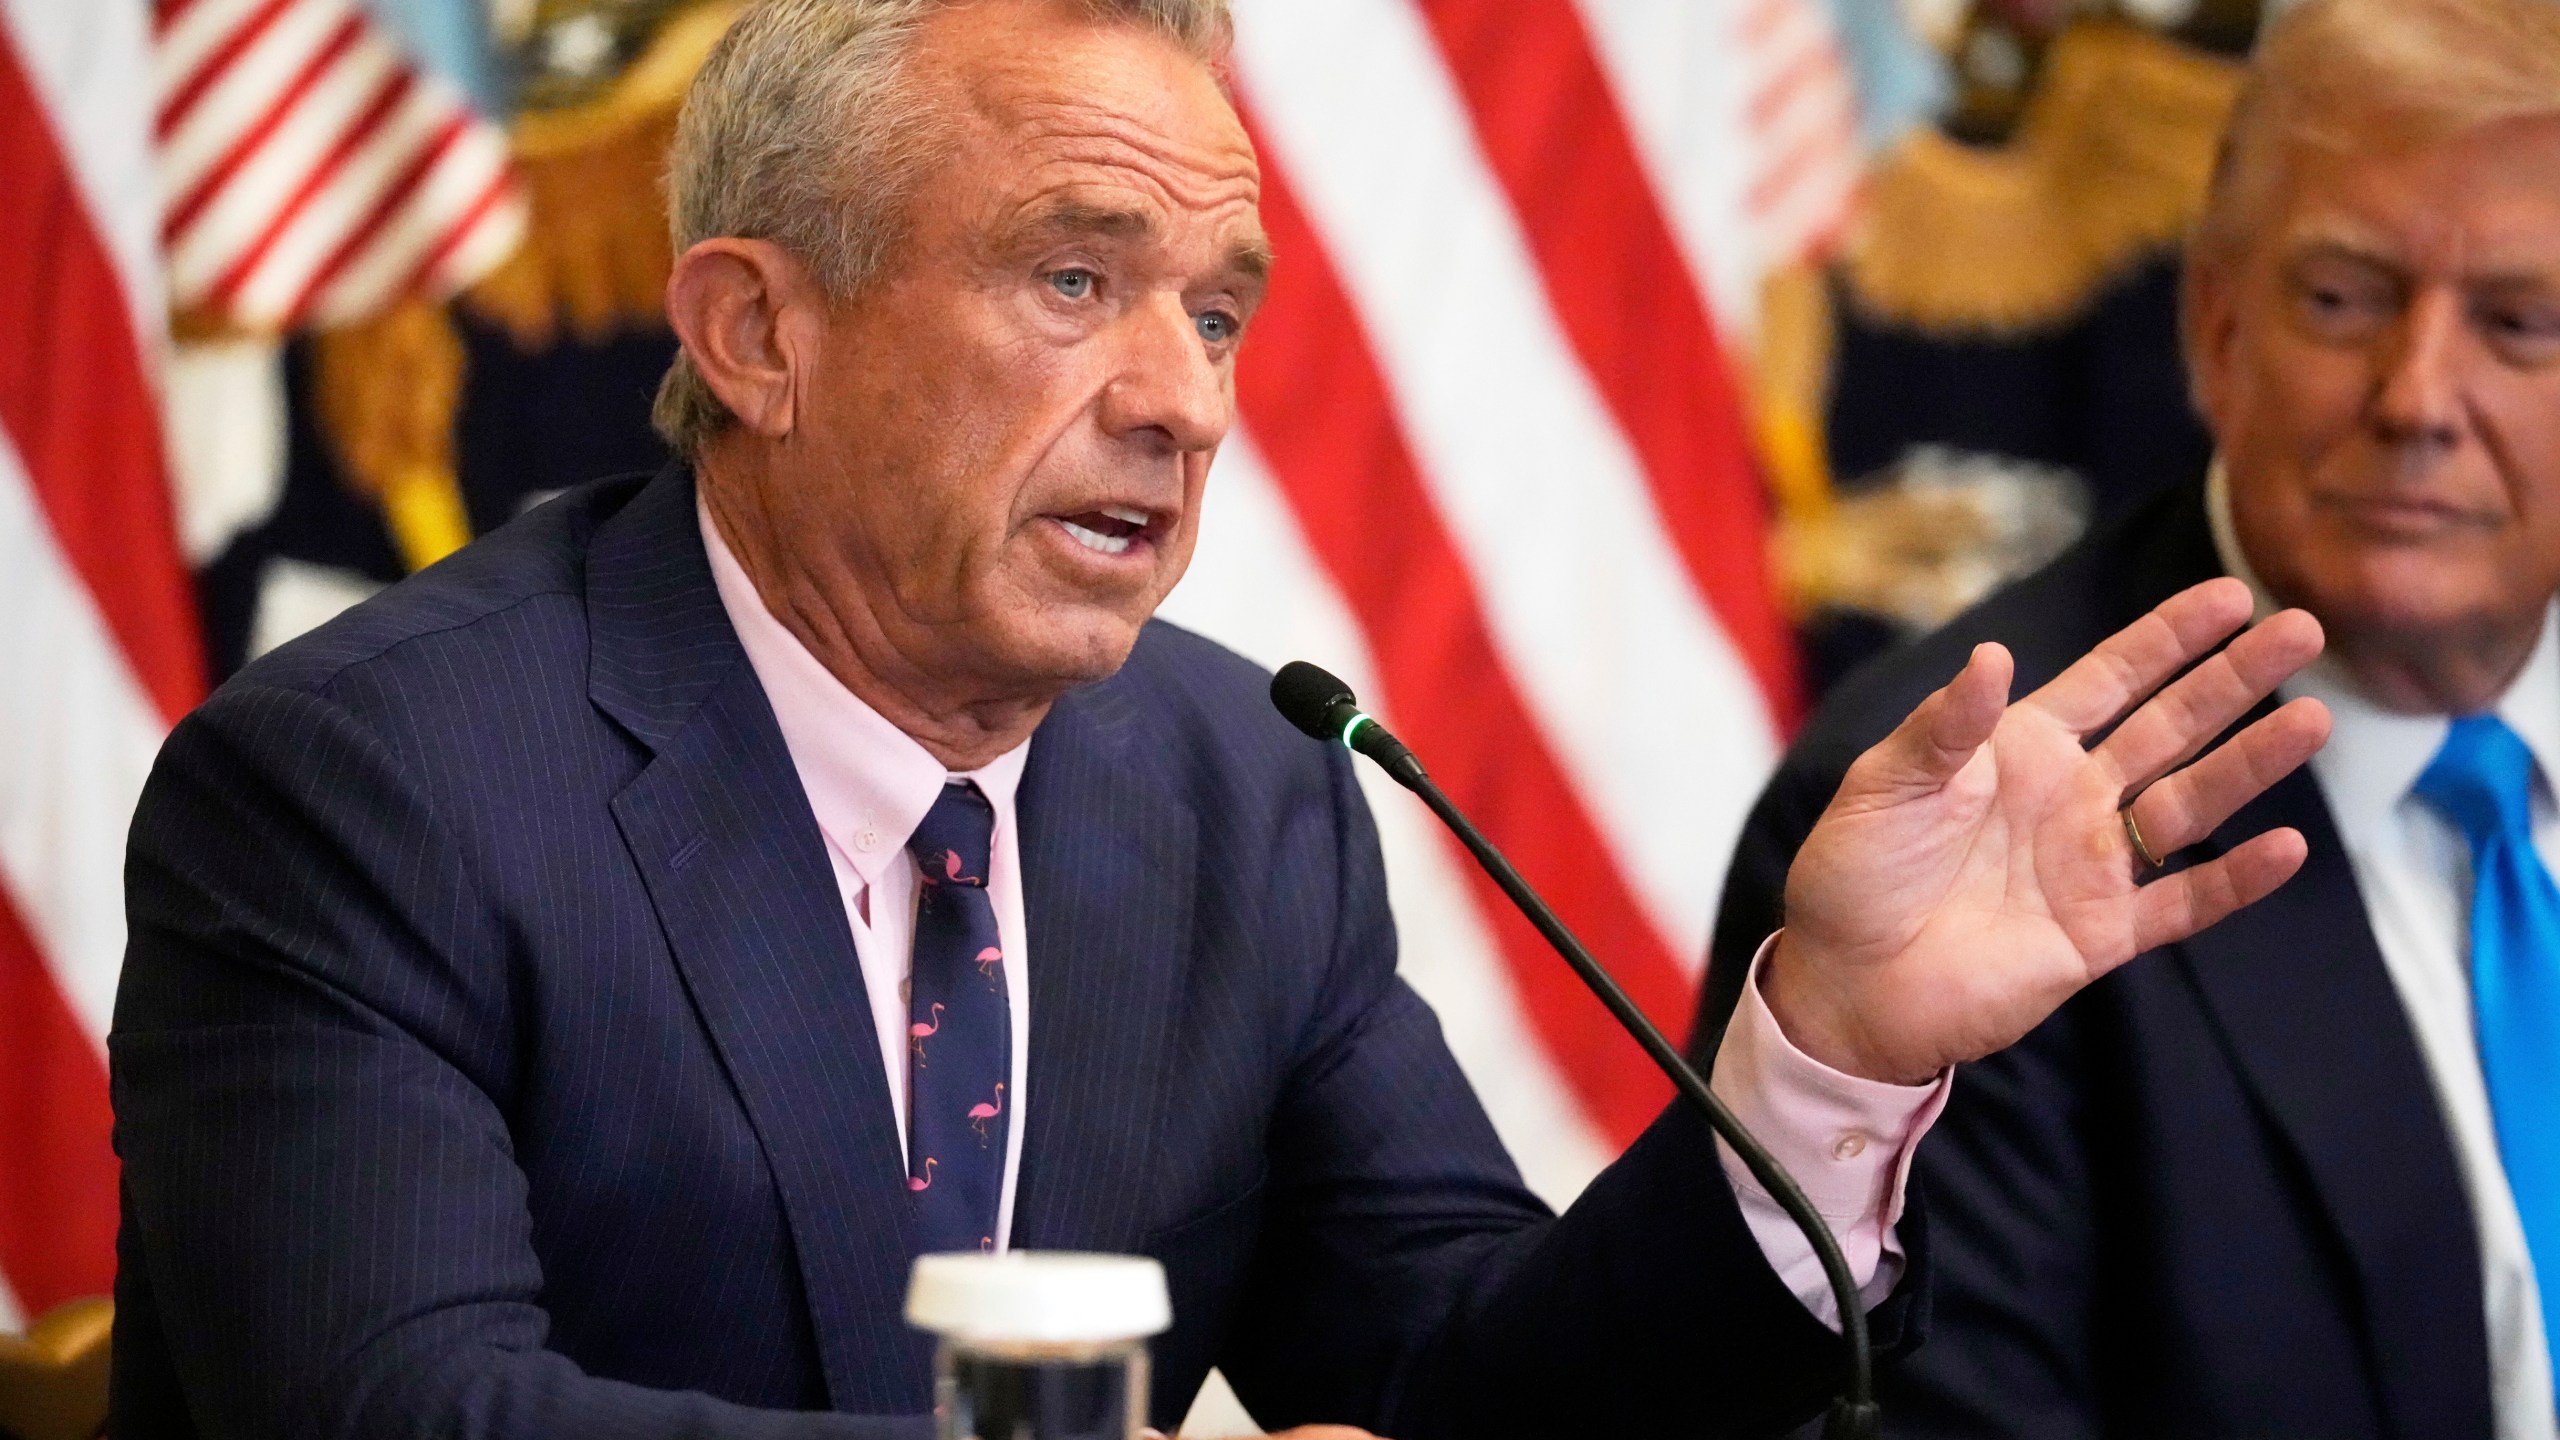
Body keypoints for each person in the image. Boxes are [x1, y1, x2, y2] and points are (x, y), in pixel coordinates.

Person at [108, 1, 2325, 1437]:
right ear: (759, 332)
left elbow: (1466, 1390)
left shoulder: (1241, 792)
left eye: (1220, 312)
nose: (1181, 399)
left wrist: (1825, 1056)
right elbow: (398, 1409)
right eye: (1073, 279)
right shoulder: (374, 786)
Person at [1693, 0, 2560, 1435]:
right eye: (2343, 299)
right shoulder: (1949, 825)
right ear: (2212, 322)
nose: (2418, 398)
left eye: (2519, 324)